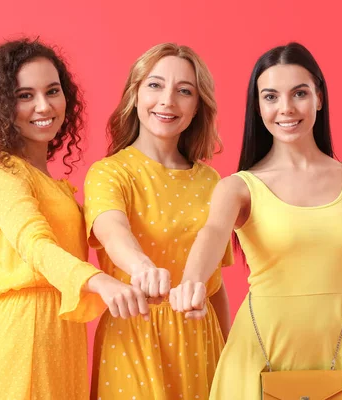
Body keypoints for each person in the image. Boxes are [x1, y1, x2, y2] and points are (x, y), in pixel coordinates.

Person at [170, 42, 342, 400]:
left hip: (340, 363)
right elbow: (211, 235)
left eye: (299, 93)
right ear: (258, 106)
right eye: (270, 97)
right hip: (257, 363)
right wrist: (191, 282)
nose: (285, 108)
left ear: (318, 97)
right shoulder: (239, 188)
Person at [0, 38, 148, 400]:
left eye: (52, 91)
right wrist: (100, 282)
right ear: (0, 106)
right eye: (25, 95)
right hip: (22, 344)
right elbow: (36, 246)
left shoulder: (50, 183)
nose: (43, 105)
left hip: (61, 345)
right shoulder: (1, 174)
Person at [84, 43, 233, 399]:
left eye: (184, 91)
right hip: (133, 339)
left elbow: (215, 287)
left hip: (201, 341)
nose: (168, 100)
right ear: (134, 94)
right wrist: (142, 268)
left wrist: (229, 357)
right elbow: (111, 227)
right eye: (154, 85)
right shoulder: (110, 173)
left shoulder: (213, 183)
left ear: (198, 107)